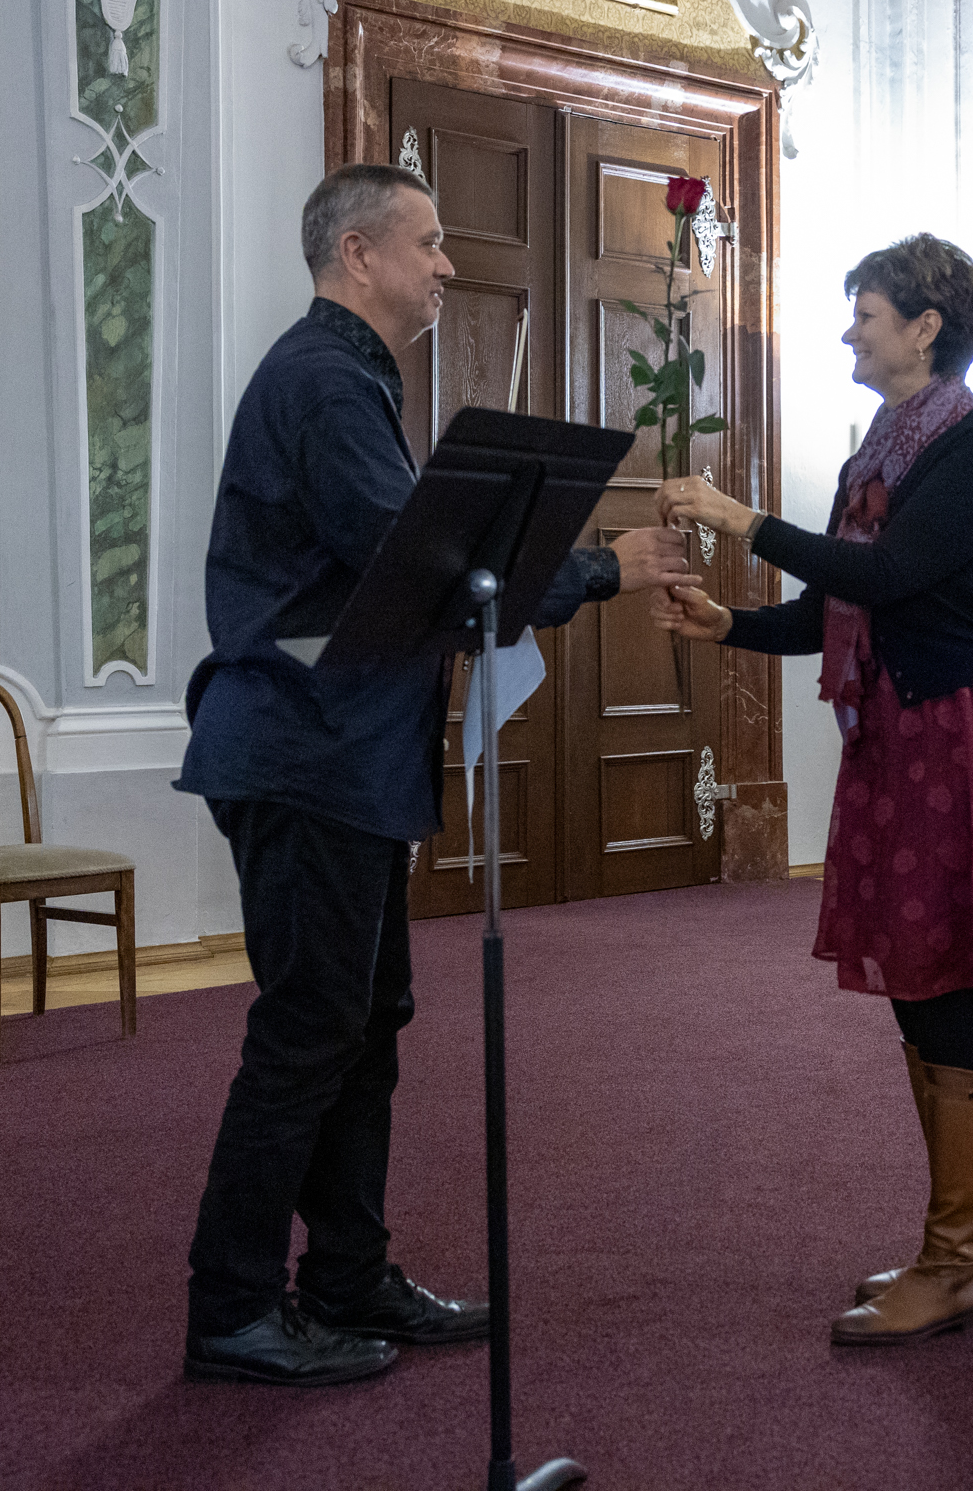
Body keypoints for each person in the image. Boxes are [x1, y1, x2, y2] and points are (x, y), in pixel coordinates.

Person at [175, 163, 700, 1387]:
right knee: (309, 1033)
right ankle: (231, 1308)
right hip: (306, 753)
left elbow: (400, 574)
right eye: (428, 242)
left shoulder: (347, 378)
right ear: (357, 254)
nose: (448, 265)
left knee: (364, 1028)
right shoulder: (322, 382)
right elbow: (417, 566)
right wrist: (600, 567)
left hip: (341, 752)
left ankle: (346, 1277)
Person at [651, 233, 973, 1346]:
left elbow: (886, 574)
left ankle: (955, 1260)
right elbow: (835, 611)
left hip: (960, 732)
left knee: (943, 984)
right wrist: (729, 624)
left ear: (924, 329)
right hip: (898, 732)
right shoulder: (879, 452)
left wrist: (743, 520)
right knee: (914, 984)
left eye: (866, 313)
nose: (850, 331)